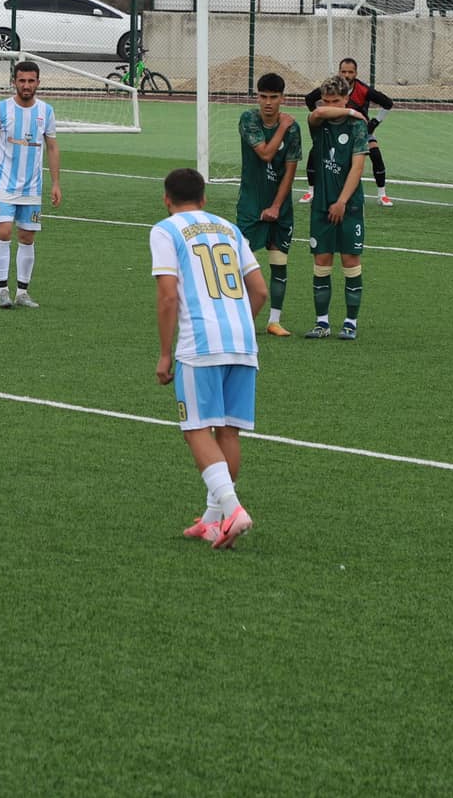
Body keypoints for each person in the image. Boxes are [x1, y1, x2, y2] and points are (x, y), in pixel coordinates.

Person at [151, 167, 265, 551]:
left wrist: (164, 353)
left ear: (167, 199)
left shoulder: (166, 230)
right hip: (243, 342)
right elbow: (260, 291)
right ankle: (214, 521)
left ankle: (233, 510)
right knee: (227, 432)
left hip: (200, 344)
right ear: (204, 199)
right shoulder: (230, 229)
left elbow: (168, 295)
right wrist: (238, 325)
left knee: (196, 429)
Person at [0, 60, 60, 309]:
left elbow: (52, 147)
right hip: (3, 183)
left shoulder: (46, 111)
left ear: (38, 82)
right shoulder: (0, 109)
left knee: (27, 237)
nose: (26, 85)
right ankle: (2, 290)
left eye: (31, 81)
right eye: (22, 80)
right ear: (14, 82)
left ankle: (22, 293)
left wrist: (56, 183)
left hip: (32, 187)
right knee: (4, 231)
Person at [304, 75, 368, 339]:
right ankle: (322, 323)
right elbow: (318, 112)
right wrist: (350, 110)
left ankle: (350, 322)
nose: (330, 106)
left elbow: (357, 167)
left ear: (346, 98)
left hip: (349, 206)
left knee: (350, 261)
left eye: (336, 101)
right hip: (321, 205)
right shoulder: (319, 122)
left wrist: (341, 201)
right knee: (322, 261)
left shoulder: (357, 127)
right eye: (326, 101)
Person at [237, 72, 300, 338]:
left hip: (280, 206)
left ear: (282, 98)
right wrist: (282, 127)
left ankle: (274, 321)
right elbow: (264, 153)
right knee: (240, 264)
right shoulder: (249, 119)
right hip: (250, 204)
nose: (268, 103)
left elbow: (290, 171)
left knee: (279, 261)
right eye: (263, 97)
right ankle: (240, 319)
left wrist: (276, 206)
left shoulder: (294, 129)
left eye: (274, 97)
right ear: (257, 97)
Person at [300, 58, 395, 206]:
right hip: (332, 128)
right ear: (339, 72)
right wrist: (323, 116)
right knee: (315, 151)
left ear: (356, 73)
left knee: (375, 152)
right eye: (343, 71)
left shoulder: (363, 90)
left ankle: (382, 194)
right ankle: (311, 191)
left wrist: (374, 123)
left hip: (358, 129)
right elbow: (309, 99)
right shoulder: (330, 88)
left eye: (350, 72)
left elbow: (387, 103)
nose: (346, 75)